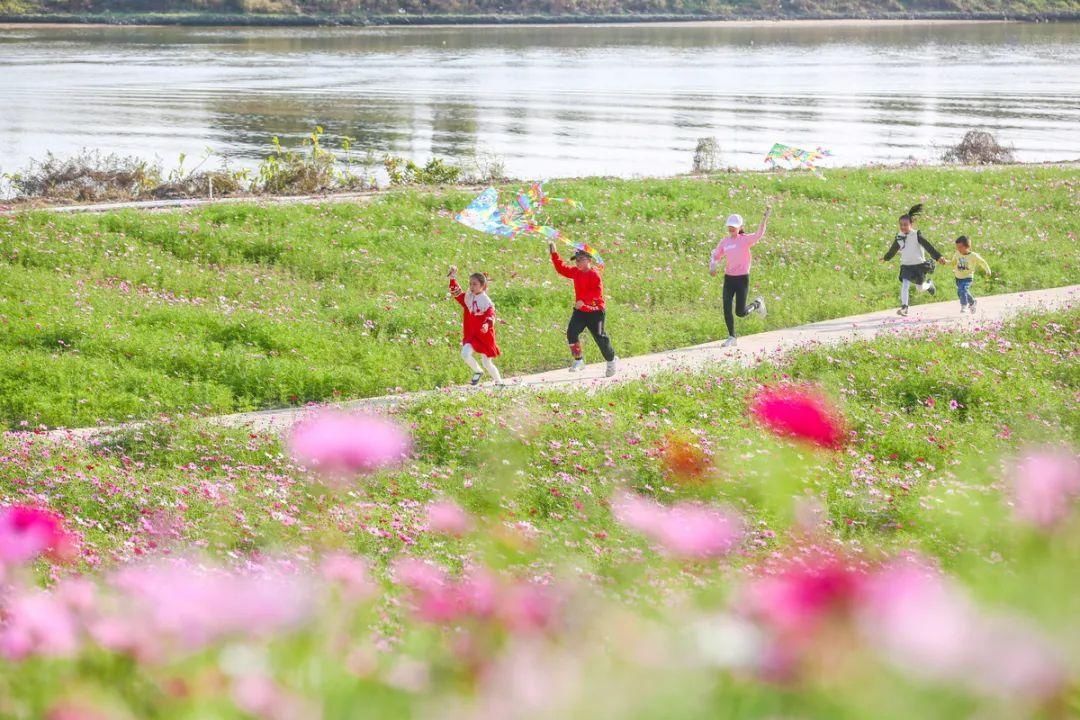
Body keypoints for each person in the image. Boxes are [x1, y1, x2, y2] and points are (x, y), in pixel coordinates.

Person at [548, 241, 617, 377]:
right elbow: (561, 269)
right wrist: (554, 253)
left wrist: (583, 301)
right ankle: (579, 360)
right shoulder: (575, 272)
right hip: (580, 311)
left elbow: (596, 294)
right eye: (576, 260)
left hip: (595, 311)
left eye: (581, 260)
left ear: (589, 260)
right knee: (571, 333)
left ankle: (611, 361)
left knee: (600, 338)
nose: (577, 263)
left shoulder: (594, 274)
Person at [709, 207, 771, 347]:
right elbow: (716, 255)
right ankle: (732, 337)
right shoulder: (725, 242)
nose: (731, 228)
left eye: (734, 227)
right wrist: (712, 266)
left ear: (740, 227)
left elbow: (759, 234)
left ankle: (757, 304)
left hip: (742, 279)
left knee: (740, 312)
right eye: (729, 226)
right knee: (726, 306)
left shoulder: (745, 240)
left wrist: (764, 219)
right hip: (729, 279)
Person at [882, 204, 945, 316]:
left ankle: (929, 285)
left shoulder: (916, 235)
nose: (903, 227)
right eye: (901, 225)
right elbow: (893, 249)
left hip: (918, 266)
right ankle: (904, 307)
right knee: (905, 285)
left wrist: (938, 256)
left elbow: (928, 246)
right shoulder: (899, 237)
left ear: (911, 224)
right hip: (906, 266)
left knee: (920, 288)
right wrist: (886, 258)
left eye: (905, 225)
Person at [448, 266, 501, 385]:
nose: (471, 287)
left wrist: (487, 324)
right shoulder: (468, 298)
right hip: (472, 335)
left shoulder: (486, 301)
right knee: (465, 354)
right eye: (470, 284)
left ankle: (499, 382)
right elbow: (456, 293)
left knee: (487, 363)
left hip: (484, 336)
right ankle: (478, 371)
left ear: (482, 286)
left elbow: (491, 314)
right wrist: (452, 278)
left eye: (475, 284)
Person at [943, 235, 992, 313]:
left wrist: (987, 270)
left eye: (960, 247)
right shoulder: (957, 254)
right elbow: (953, 263)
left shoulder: (973, 256)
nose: (958, 249)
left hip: (968, 277)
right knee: (960, 292)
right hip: (958, 277)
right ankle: (972, 302)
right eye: (957, 247)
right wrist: (946, 262)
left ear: (967, 246)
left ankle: (964, 305)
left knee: (963, 290)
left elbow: (982, 262)